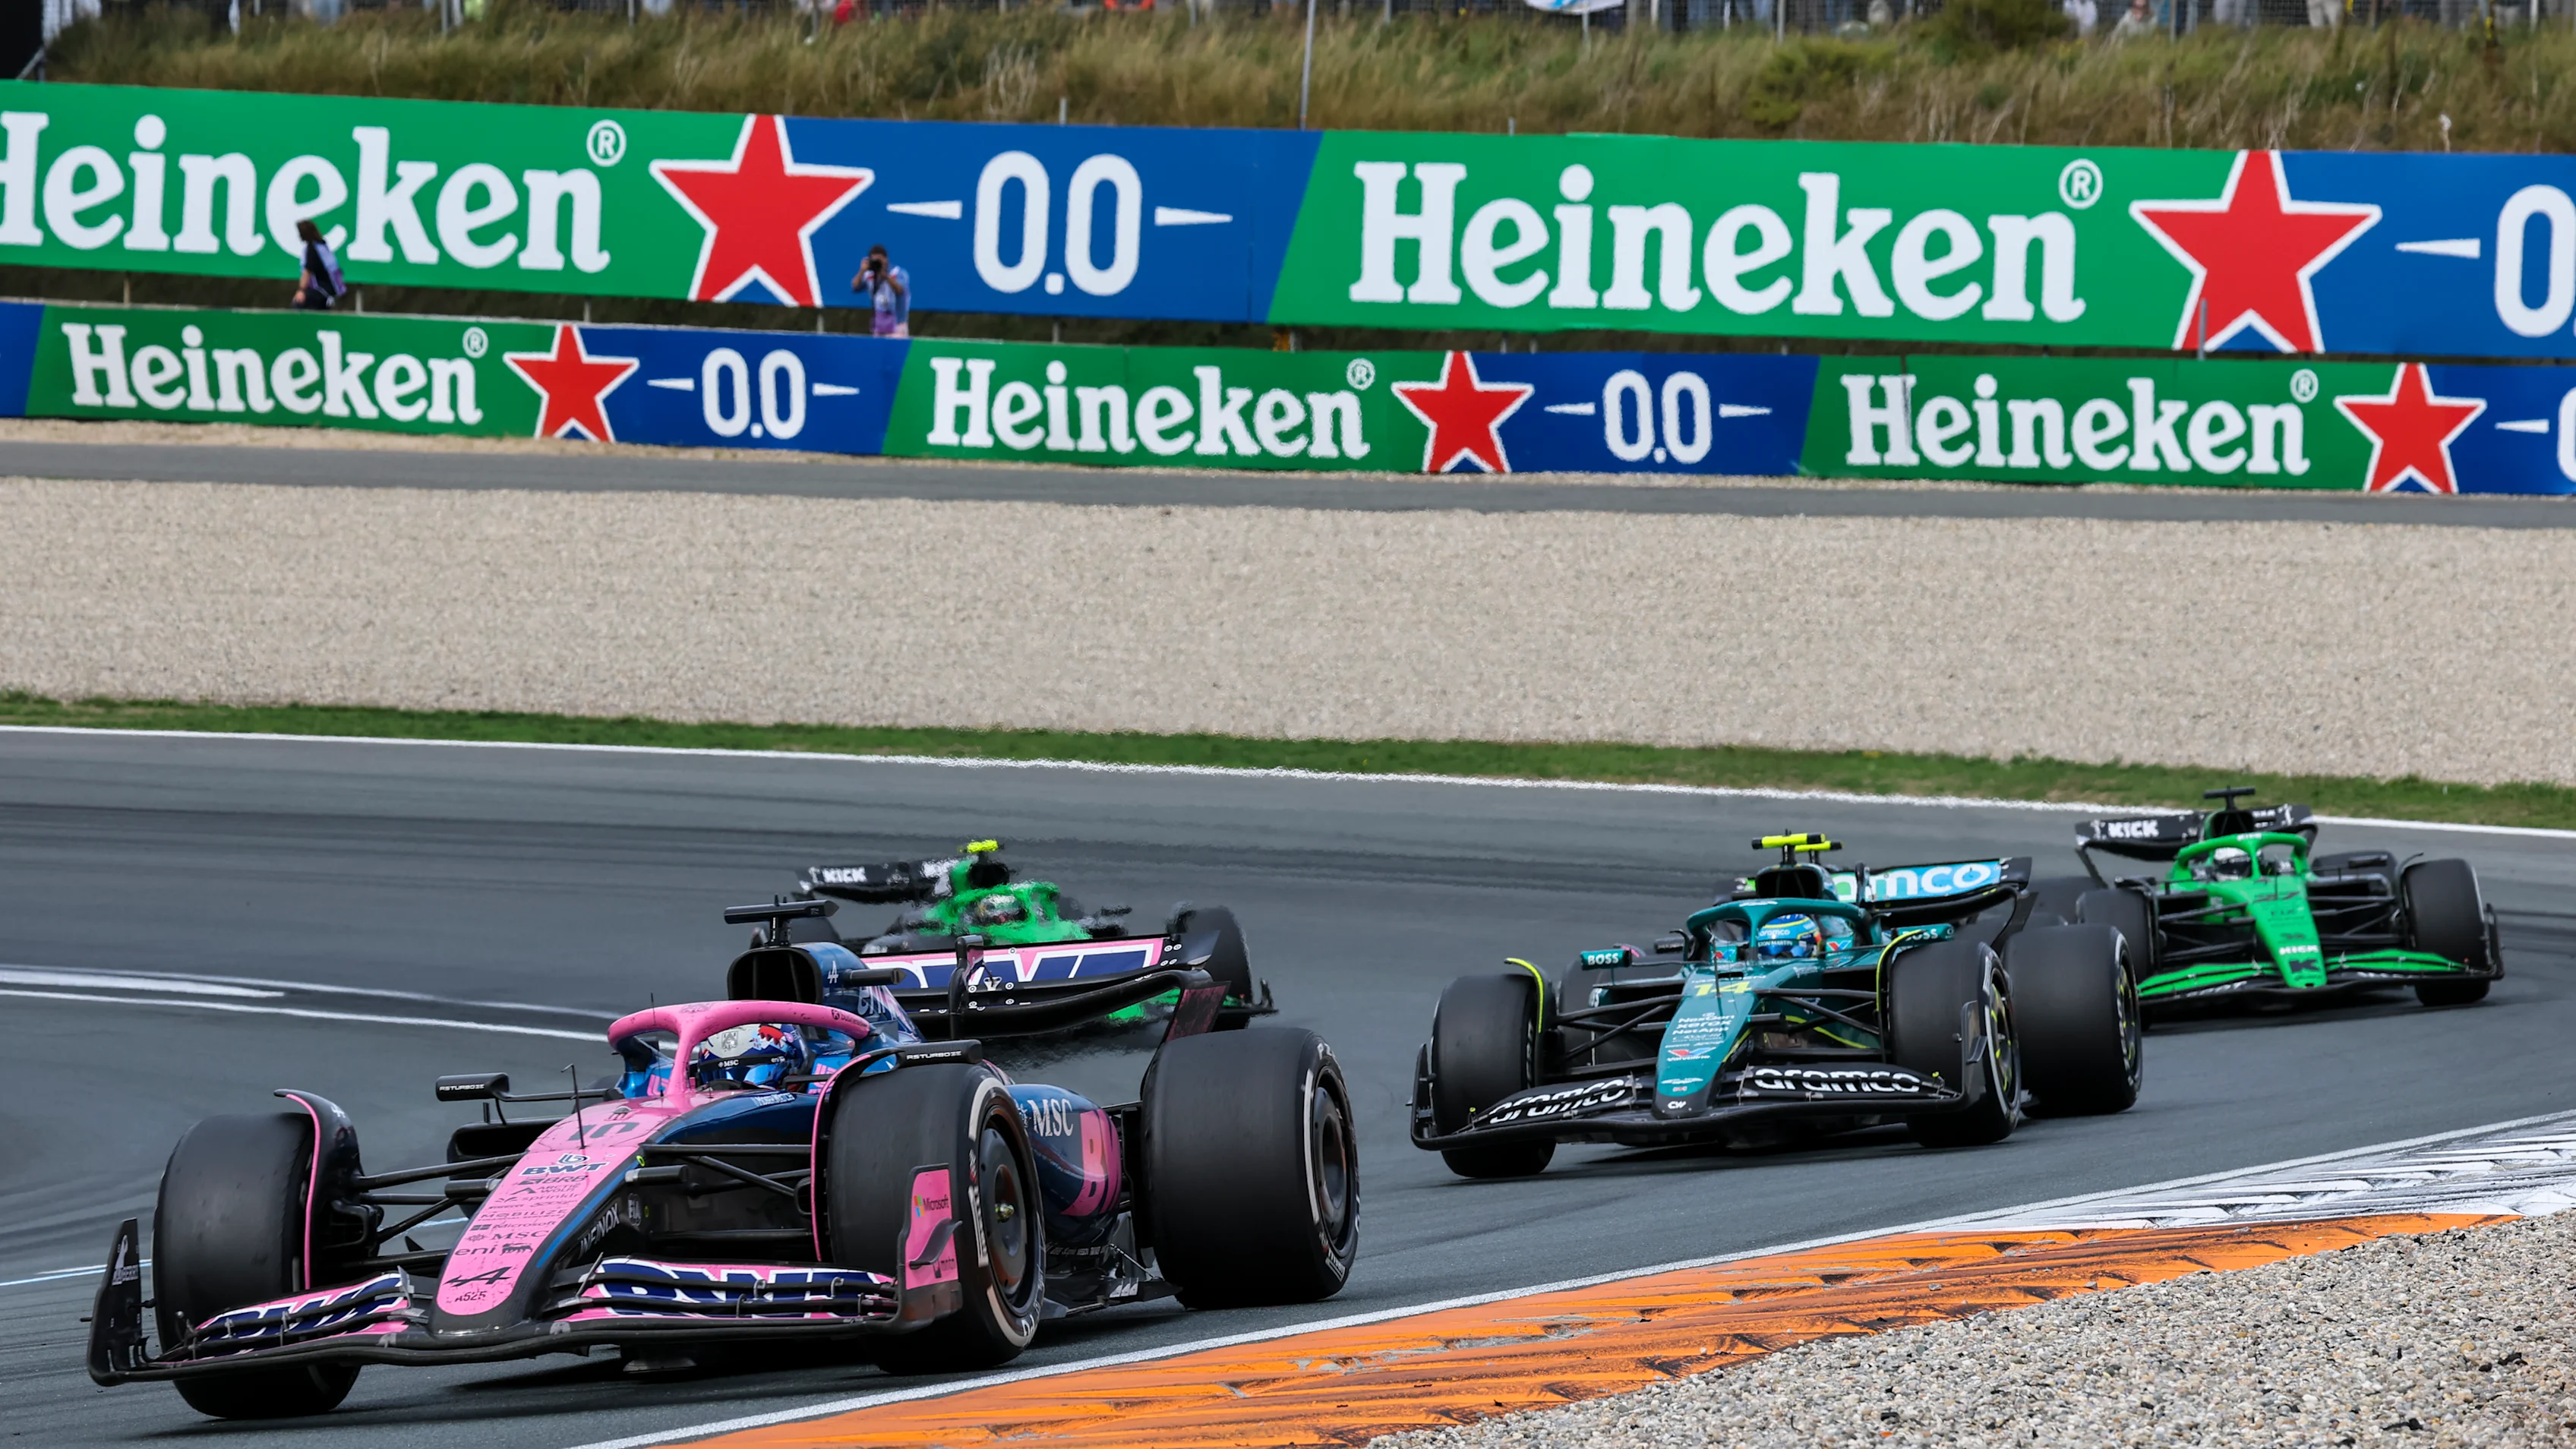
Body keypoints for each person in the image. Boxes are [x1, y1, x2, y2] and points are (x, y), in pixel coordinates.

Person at [851, 245, 910, 339]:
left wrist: (885, 276)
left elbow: (900, 290)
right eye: (875, 261)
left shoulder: (898, 273)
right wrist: (862, 271)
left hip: (897, 325)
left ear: (886, 259)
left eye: (880, 260)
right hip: (878, 326)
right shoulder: (869, 275)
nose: (877, 263)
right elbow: (855, 287)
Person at [291, 219, 344, 311]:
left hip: (322, 290)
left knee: (298, 302)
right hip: (331, 290)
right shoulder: (322, 245)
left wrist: (301, 290)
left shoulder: (312, 248)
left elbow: (308, 271)